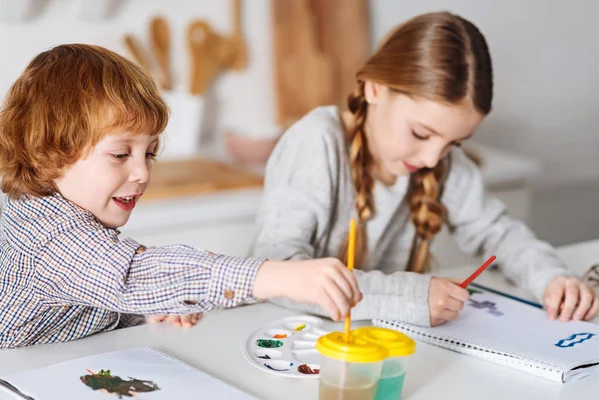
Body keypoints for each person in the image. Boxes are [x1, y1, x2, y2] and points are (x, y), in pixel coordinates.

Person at [0, 44, 361, 349]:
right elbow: (130, 276)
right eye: (121, 154)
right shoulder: (47, 235)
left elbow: (88, 296)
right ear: (48, 150)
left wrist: (145, 309)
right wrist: (275, 276)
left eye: (150, 153)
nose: (142, 173)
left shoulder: (62, 210)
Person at [251, 11, 598, 327]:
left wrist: (552, 278)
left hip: (381, 344)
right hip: (299, 345)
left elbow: (500, 234)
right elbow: (277, 272)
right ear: (375, 88)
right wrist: (409, 297)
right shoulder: (317, 141)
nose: (434, 158)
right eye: (421, 133)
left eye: (454, 143)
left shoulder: (439, 160)